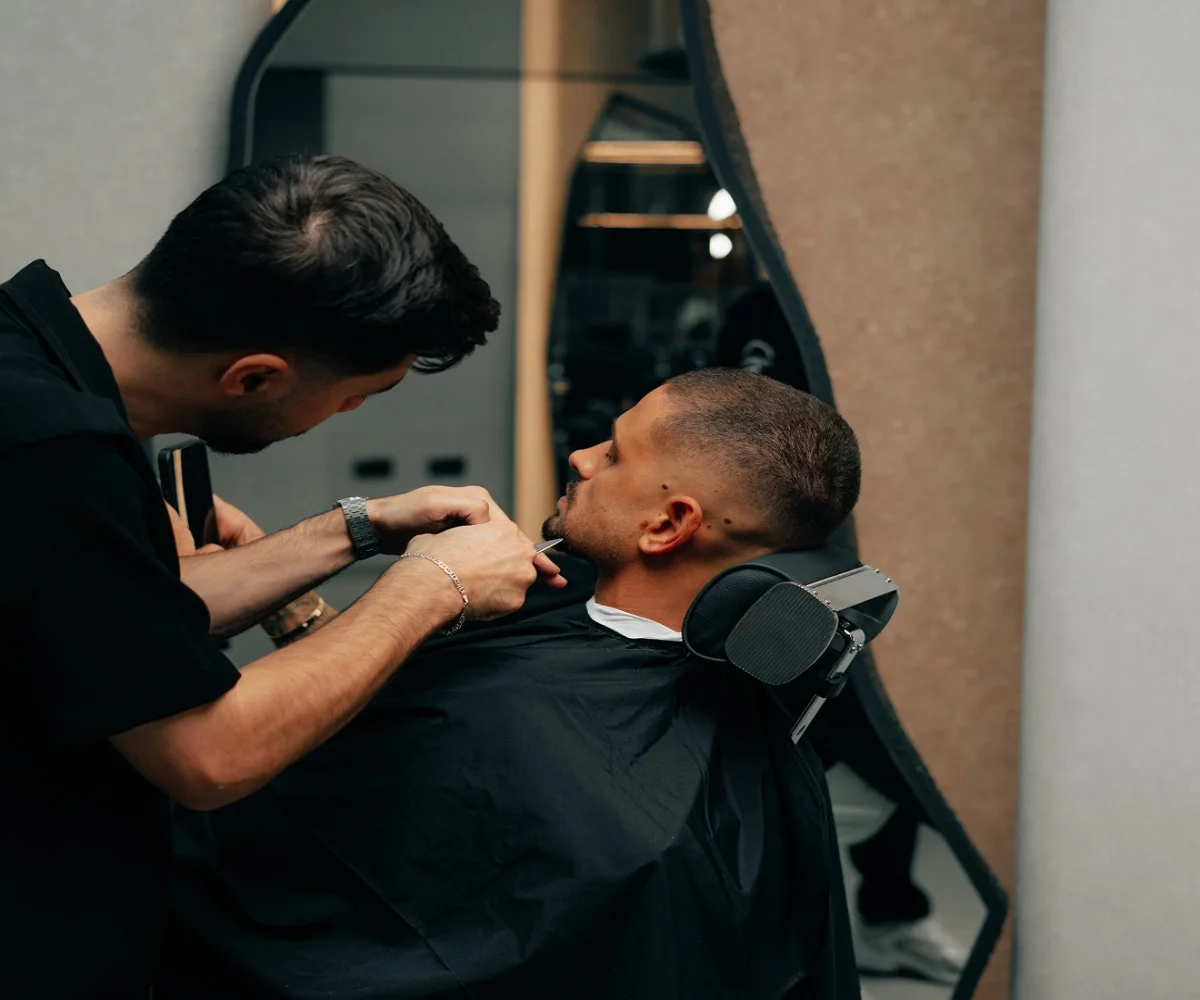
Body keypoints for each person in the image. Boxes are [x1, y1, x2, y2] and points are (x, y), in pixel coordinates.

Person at [0, 154, 562, 998]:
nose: (348, 416)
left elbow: (114, 630)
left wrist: (359, 529)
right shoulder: (54, 447)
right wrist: (427, 585)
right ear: (254, 376)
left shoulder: (26, 360)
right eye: (354, 398)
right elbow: (207, 754)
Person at [157, 368, 866, 1000]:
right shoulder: (698, 681)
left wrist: (166, 620)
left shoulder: (528, 709)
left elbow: (240, 775)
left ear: (668, 523)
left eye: (615, 453)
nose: (582, 457)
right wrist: (280, 595)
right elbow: (401, 708)